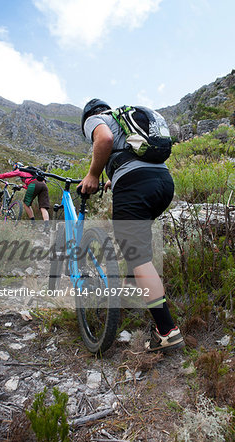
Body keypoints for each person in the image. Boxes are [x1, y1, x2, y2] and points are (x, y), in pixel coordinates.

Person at [79, 98, 185, 353]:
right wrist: (113, 178)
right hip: (162, 182)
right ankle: (133, 289)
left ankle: (166, 332)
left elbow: (103, 140)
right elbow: (127, 155)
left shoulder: (97, 120)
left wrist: (93, 174)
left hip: (136, 185)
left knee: (138, 257)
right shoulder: (123, 121)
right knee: (136, 248)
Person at [0, 162, 50, 231]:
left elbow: (8, 174)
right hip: (44, 185)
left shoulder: (20, 169)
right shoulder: (32, 172)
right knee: (43, 207)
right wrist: (23, 186)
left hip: (33, 184)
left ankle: (33, 224)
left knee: (26, 204)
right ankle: (46, 227)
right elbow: (32, 184)